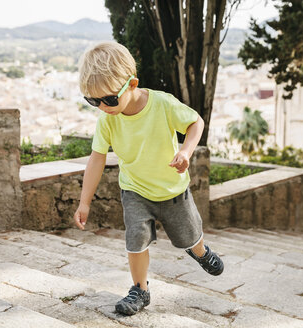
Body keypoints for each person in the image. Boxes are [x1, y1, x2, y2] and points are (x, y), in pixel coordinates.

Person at [73, 41, 224, 316]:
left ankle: (200, 251)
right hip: (135, 190)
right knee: (136, 240)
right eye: (93, 101)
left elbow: (195, 122)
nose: (103, 107)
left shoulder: (162, 104)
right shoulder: (107, 120)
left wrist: (186, 151)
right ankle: (139, 290)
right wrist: (84, 202)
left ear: (131, 84)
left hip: (172, 189)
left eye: (108, 99)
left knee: (189, 236)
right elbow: (97, 159)